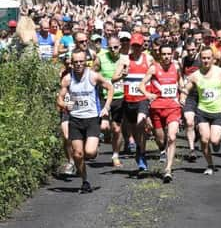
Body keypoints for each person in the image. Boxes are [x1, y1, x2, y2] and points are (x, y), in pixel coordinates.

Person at [57, 49, 114, 193]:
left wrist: (106, 107)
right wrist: (64, 105)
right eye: (75, 62)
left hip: (92, 119)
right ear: (71, 63)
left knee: (89, 152)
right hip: (75, 119)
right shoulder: (68, 79)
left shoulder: (93, 76)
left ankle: (95, 146)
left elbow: (110, 87)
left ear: (86, 62)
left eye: (81, 61)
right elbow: (59, 99)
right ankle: (85, 181)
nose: (78, 64)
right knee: (77, 154)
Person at [181, 46, 221, 175]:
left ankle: (216, 143)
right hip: (202, 111)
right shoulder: (195, 76)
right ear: (200, 59)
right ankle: (210, 164)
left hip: (217, 112)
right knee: (204, 139)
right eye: (203, 58)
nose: (206, 61)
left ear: (213, 59)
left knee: (214, 140)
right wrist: (183, 96)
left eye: (208, 58)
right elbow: (187, 89)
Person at [139, 43, 184, 182]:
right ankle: (162, 150)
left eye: (168, 54)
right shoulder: (153, 68)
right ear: (159, 54)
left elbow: (180, 82)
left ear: (172, 54)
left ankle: (168, 169)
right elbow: (141, 85)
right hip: (157, 108)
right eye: (163, 54)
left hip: (173, 108)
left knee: (171, 137)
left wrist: (182, 95)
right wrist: (147, 94)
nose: (166, 57)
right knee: (160, 139)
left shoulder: (176, 67)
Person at [114, 33, 154, 174]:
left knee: (140, 123)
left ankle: (142, 154)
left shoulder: (148, 59)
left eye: (138, 46)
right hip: (129, 101)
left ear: (142, 46)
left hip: (142, 99)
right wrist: (122, 75)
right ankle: (139, 148)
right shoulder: (124, 60)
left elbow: (155, 75)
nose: (136, 48)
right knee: (135, 130)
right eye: (134, 46)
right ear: (131, 46)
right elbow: (113, 79)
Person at [95, 35, 126, 167]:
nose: (113, 50)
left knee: (117, 129)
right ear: (107, 47)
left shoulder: (125, 59)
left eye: (116, 47)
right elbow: (92, 74)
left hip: (120, 97)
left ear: (120, 46)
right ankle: (106, 135)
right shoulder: (101, 58)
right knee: (104, 126)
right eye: (110, 47)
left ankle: (115, 155)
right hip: (104, 96)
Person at [180, 38, 201, 161]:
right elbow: (181, 76)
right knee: (189, 122)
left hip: (201, 95)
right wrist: (182, 90)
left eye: (193, 50)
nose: (191, 52)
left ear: (196, 49)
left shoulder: (201, 60)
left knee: (199, 125)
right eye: (188, 50)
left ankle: (197, 134)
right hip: (189, 95)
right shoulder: (184, 61)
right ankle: (192, 150)